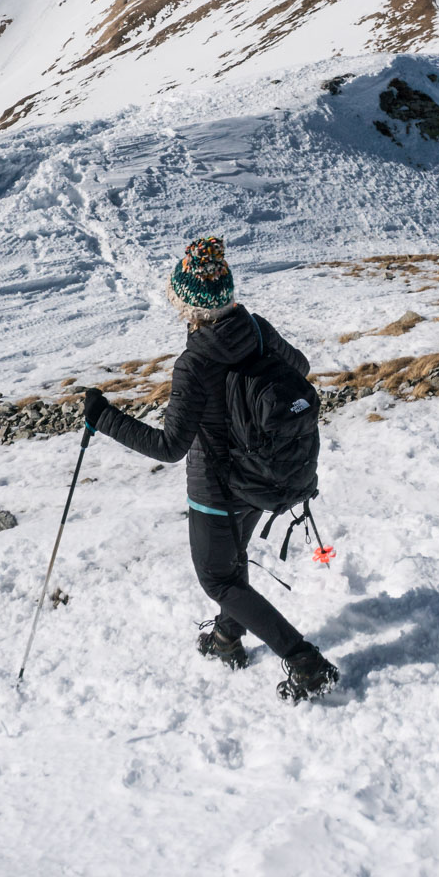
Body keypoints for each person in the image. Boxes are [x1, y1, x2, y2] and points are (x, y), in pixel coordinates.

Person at [84, 235, 339, 701]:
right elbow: (299, 367)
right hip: (259, 476)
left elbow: (169, 447)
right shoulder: (257, 329)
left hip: (216, 490)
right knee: (232, 566)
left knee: (219, 579)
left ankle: (304, 661)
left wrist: (104, 418)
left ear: (187, 305)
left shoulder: (196, 362)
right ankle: (226, 639)